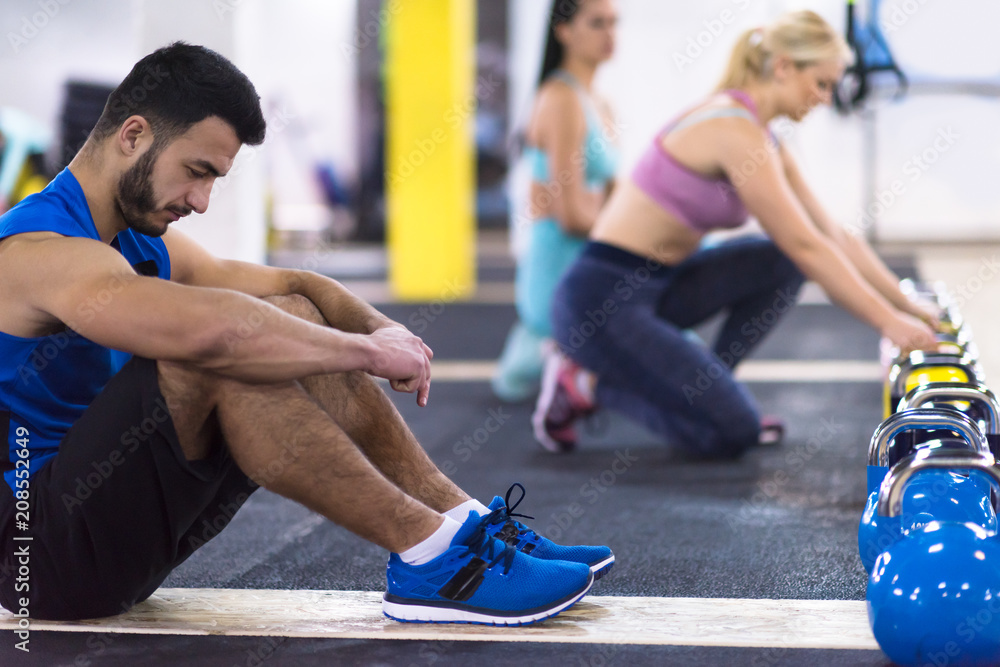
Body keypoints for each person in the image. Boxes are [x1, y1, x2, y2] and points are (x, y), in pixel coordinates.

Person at [0, 43, 614, 625]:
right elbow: (215, 335)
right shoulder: (37, 251)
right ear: (133, 136)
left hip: (117, 531)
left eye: (214, 178)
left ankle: (462, 522)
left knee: (287, 308)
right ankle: (431, 559)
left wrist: (383, 326)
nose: (203, 201)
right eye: (196, 172)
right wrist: (365, 352)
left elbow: (293, 283)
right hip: (41, 558)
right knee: (213, 352)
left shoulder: (136, 239)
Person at [533, 11, 939, 458]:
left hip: (664, 286)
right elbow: (807, 246)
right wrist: (887, 323)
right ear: (784, 67)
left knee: (776, 261)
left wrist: (907, 306)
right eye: (820, 83)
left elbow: (834, 234)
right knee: (733, 432)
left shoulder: (765, 139)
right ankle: (581, 383)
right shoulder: (732, 129)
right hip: (601, 299)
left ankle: (713, 388)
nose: (825, 99)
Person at [491, 0, 620, 403]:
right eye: (597, 23)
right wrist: (636, 234)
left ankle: (564, 359)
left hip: (588, 258)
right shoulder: (561, 99)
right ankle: (551, 353)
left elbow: (616, 195)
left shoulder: (600, 101)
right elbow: (571, 215)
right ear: (563, 31)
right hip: (560, 269)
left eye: (614, 23)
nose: (610, 34)